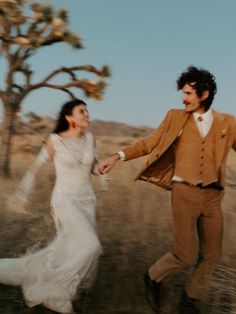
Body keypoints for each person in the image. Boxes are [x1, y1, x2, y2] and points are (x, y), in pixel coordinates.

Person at [99, 66, 236, 313]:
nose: (183, 99)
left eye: (188, 94)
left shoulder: (228, 122)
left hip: (214, 196)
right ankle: (152, 278)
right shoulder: (175, 116)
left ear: (204, 95)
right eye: (183, 93)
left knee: (212, 254)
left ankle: (190, 300)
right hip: (185, 193)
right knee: (185, 254)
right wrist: (117, 156)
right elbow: (149, 143)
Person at [0, 99, 102, 314]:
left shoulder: (91, 139)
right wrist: (21, 196)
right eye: (81, 111)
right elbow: (35, 168)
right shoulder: (55, 140)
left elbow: (93, 168)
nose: (87, 114)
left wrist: (108, 164)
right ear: (69, 118)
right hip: (65, 201)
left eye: (87, 110)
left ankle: (48, 280)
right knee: (91, 245)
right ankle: (55, 290)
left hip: (87, 202)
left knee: (70, 249)